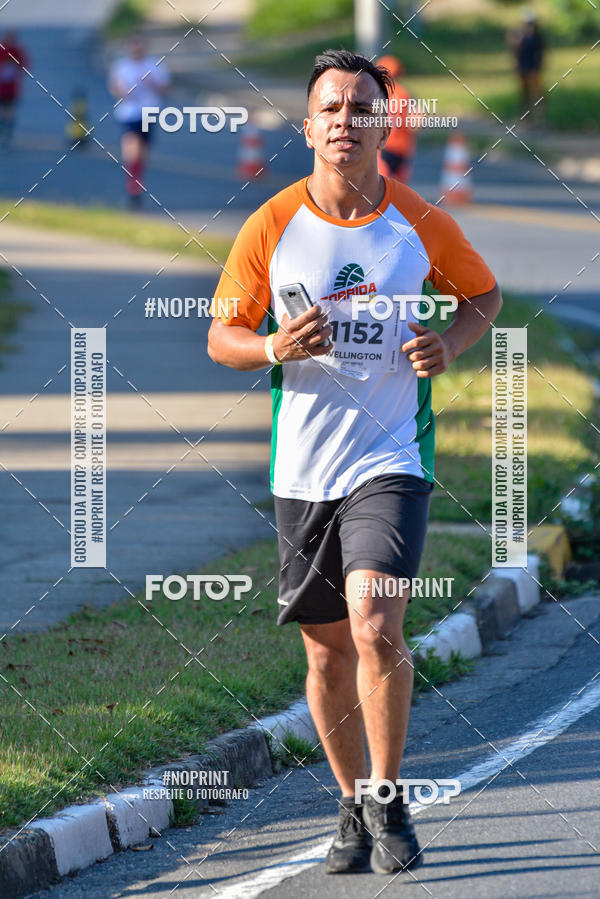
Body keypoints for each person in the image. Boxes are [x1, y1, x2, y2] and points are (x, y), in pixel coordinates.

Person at [207, 49, 502, 876]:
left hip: (391, 456)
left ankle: (388, 793)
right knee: (328, 653)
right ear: (308, 127)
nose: (345, 120)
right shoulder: (271, 224)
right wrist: (269, 344)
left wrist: (450, 341)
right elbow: (221, 335)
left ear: (383, 125)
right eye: (330, 108)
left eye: (361, 108)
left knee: (376, 625)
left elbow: (484, 294)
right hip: (302, 466)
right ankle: (349, 802)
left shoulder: (419, 222)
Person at [108, 36, 170, 208]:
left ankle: (137, 180)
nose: (135, 52)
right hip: (128, 114)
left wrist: (153, 84)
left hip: (149, 111)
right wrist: (120, 91)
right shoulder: (121, 66)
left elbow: (166, 88)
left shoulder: (154, 65)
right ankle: (133, 185)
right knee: (131, 147)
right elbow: (114, 86)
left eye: (138, 49)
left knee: (142, 150)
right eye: (132, 49)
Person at [376, 55, 418, 184]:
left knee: (382, 185)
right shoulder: (404, 94)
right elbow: (416, 121)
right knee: (398, 187)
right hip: (402, 147)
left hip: (383, 146)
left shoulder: (376, 93)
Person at [508, 10, 545, 118]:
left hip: (533, 69)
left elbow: (541, 54)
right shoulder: (521, 37)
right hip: (523, 69)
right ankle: (525, 117)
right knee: (524, 95)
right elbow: (516, 53)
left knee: (536, 95)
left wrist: (538, 67)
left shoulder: (537, 37)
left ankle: (538, 118)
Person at [0, 31, 28, 149]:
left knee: (10, 111)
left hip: (12, 89)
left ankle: (7, 133)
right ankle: (3, 132)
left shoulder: (17, 51)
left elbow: (24, 65)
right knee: (3, 111)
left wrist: (16, 70)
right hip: (1, 88)